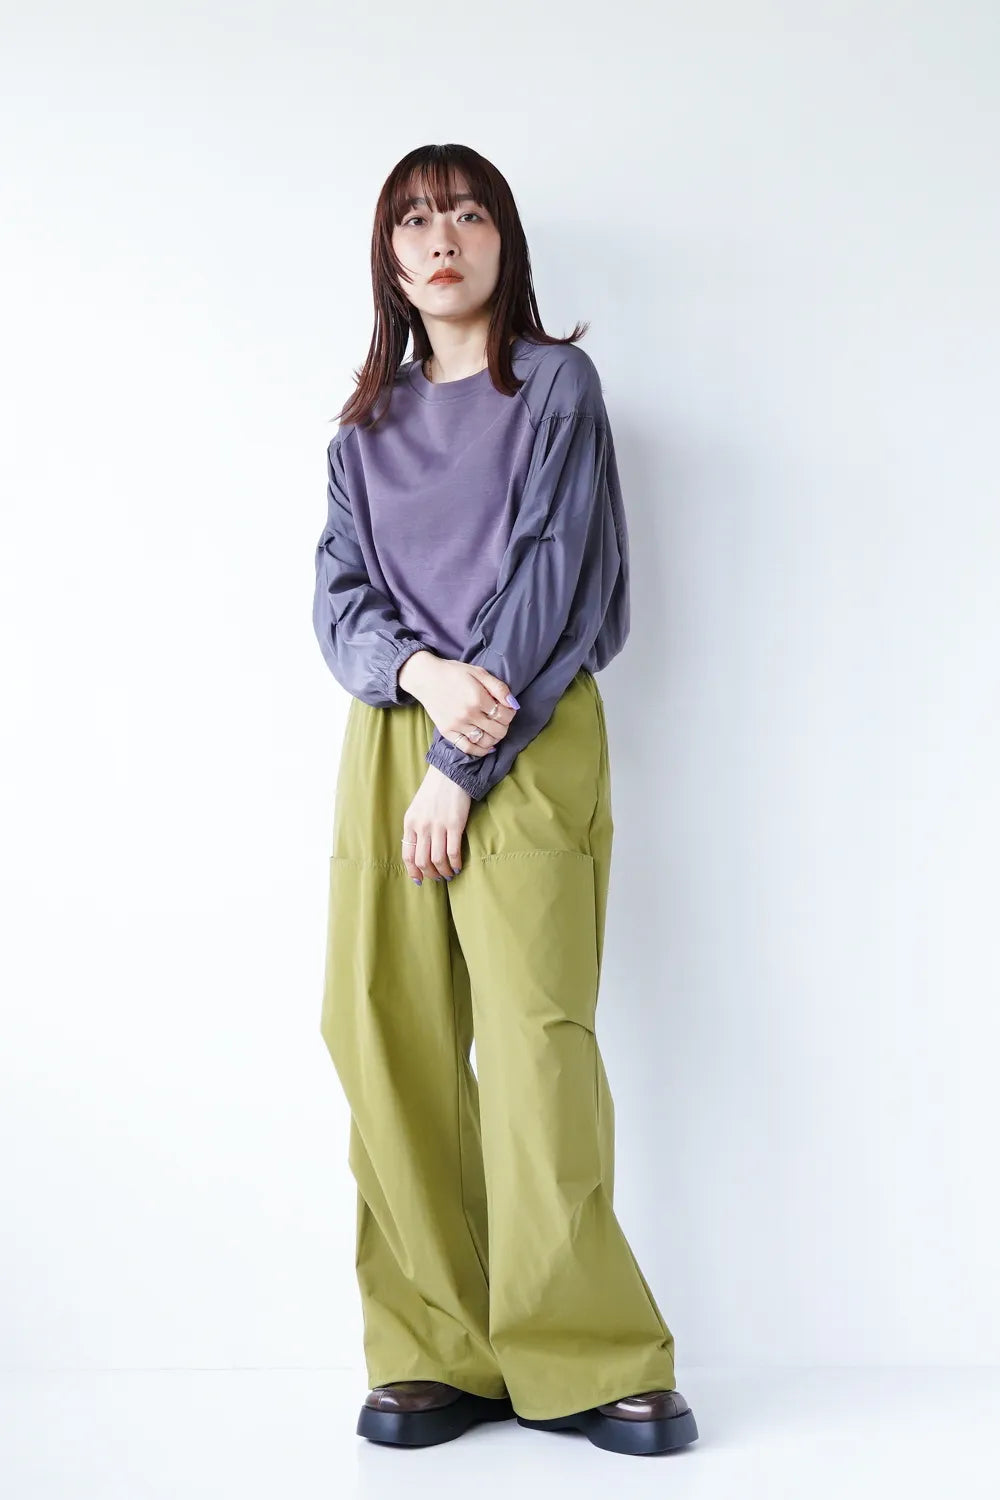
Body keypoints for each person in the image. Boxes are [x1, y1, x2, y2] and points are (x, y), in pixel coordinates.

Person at [312, 143, 699, 1459]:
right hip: (391, 734)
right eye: (416, 220)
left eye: (468, 214)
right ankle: (437, 1346)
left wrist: (458, 763)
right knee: (383, 1034)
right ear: (390, 257)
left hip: (522, 731)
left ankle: (584, 1350)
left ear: (503, 242)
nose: (443, 239)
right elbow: (338, 600)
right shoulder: (363, 429)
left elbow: (552, 578)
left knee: (537, 1041)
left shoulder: (555, 390)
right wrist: (416, 678)